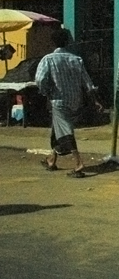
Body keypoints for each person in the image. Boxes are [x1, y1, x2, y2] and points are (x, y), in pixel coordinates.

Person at [35, 27, 102, 178]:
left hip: (58, 100)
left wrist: (46, 92)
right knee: (58, 128)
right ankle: (52, 160)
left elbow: (40, 80)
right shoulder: (76, 59)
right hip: (75, 101)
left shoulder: (48, 59)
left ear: (53, 42)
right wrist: (95, 101)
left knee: (65, 132)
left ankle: (78, 163)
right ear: (67, 42)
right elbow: (88, 84)